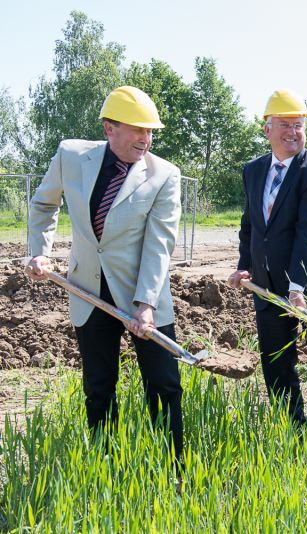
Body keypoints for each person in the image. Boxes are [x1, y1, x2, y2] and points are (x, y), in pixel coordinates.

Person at [26, 86, 184, 460]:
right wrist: (40, 252)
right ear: (109, 128)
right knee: (99, 387)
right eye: (137, 129)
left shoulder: (163, 175)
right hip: (88, 290)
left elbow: (159, 244)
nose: (146, 138)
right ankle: (105, 466)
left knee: (163, 385)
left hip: (143, 293)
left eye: (150, 131)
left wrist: (145, 304)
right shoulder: (71, 156)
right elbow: (44, 204)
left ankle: (174, 469)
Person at [228, 89, 307, 446]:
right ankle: (292, 432)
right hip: (267, 285)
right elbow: (251, 226)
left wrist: (297, 286)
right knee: (276, 362)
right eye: (284, 125)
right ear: (267, 129)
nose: (292, 132)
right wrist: (245, 266)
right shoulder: (253, 171)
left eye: (298, 125)